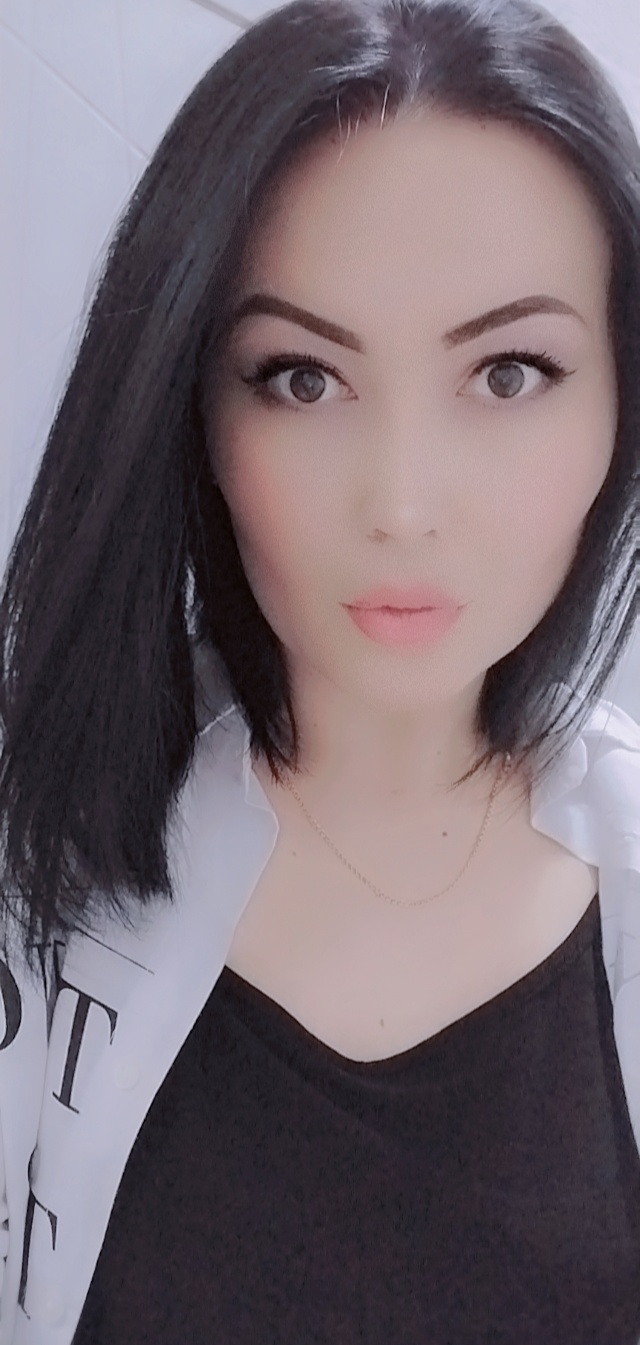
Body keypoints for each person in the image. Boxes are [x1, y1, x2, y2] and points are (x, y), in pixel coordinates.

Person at [0, 0, 639, 1340]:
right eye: (301, 378)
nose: (402, 504)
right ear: (191, 406)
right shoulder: (33, 855)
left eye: (510, 373)